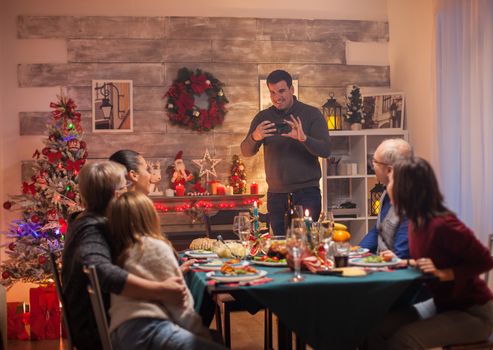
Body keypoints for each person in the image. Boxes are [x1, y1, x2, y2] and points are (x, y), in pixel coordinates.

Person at [370, 157, 493, 349]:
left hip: (473, 313)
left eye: (393, 180)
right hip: (441, 305)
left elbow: (486, 261)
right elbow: (434, 261)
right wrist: (406, 263)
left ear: (407, 188)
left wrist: (447, 274)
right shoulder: (415, 221)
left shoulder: (443, 225)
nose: (388, 186)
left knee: (404, 340)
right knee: (374, 329)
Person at [61, 161, 188, 350]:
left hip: (100, 323)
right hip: (100, 334)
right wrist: (160, 288)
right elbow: (99, 269)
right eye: (125, 186)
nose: (127, 191)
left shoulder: (85, 220)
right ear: (116, 194)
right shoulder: (92, 231)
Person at [107, 191, 224, 349]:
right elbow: (181, 304)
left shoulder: (121, 251)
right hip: (149, 333)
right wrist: (200, 334)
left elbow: (147, 277)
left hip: (122, 334)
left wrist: (177, 271)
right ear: (149, 217)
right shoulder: (154, 246)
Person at [240, 69, 331, 234]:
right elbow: (246, 151)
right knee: (280, 248)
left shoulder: (311, 114)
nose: (276, 97)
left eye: (281, 91)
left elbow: (325, 150)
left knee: (305, 245)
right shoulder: (263, 117)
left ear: (292, 89)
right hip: (276, 195)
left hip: (307, 193)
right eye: (272, 92)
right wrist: (255, 136)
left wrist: (304, 138)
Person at [359, 138, 412, 258]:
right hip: (383, 262)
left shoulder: (410, 202)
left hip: (395, 269)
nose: (372, 166)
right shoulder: (387, 191)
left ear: (389, 170)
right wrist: (357, 252)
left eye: (375, 162)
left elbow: (401, 254)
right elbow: (379, 229)